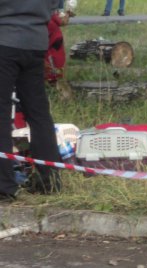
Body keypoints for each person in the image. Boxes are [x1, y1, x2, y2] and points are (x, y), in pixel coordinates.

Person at [0, 0, 63, 201]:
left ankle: (4, 186)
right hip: (36, 43)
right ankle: (50, 181)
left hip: (5, 40)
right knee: (38, 113)